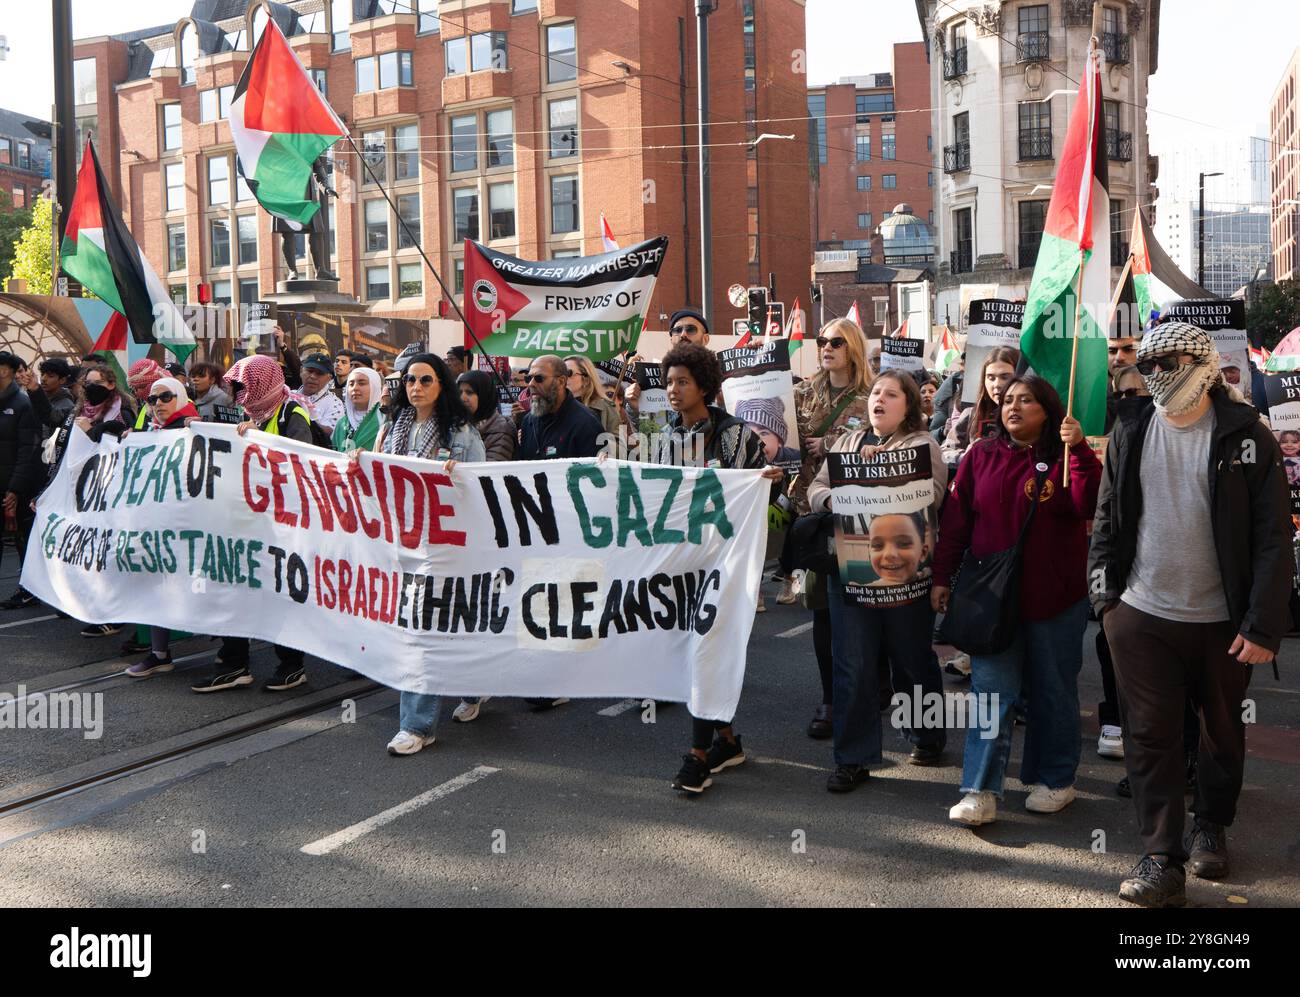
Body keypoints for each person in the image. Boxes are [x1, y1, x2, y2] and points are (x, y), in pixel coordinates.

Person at [1090, 321, 1291, 908]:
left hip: (1224, 623)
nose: (1155, 374)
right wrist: (1107, 606)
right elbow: (1106, 524)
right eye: (1145, 365)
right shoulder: (1130, 428)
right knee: (1150, 737)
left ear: (1203, 364)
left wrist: (1262, 626)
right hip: (1142, 616)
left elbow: (1273, 539)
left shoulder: (1248, 435)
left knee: (1220, 732)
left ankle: (1212, 824)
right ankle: (1160, 857)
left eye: (1168, 361)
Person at [932, 374, 1101, 827]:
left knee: (1054, 693)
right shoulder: (980, 456)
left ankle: (1056, 780)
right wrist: (942, 576)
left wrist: (1080, 449)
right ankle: (979, 789)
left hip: (1056, 600)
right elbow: (955, 523)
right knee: (990, 696)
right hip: (992, 602)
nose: (1013, 407)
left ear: (1048, 410)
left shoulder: (1066, 458)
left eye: (1026, 400)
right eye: (1007, 400)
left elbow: (1091, 504)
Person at [807, 369, 948, 790]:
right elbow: (817, 486)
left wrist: (878, 475)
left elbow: (932, 497)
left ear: (909, 406)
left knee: (912, 660)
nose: (878, 400)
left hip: (906, 575)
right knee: (853, 663)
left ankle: (926, 735)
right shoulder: (848, 442)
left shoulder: (924, 445)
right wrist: (835, 497)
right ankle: (853, 757)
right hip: (852, 573)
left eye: (890, 394)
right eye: (875, 394)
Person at [656, 342, 784, 794]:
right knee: (694, 650)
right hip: (682, 563)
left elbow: (754, 495)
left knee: (706, 651)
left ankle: (697, 758)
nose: (673, 390)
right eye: (669, 382)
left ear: (704, 386)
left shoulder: (735, 436)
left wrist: (766, 480)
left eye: (682, 382)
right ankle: (726, 741)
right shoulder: (666, 436)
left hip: (724, 564)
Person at [376, 354, 486, 755]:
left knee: (441, 622)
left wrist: (461, 478)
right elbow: (382, 478)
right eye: (409, 380)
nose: (415, 387)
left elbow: (480, 489)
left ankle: (423, 723)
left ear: (442, 385)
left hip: (447, 544)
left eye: (425, 379)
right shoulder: (393, 429)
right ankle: (454, 700)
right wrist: (359, 463)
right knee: (427, 625)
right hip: (404, 542)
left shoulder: (462, 433)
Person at [190, 355, 316, 694]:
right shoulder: (251, 414)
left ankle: (291, 664)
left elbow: (302, 463)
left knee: (280, 593)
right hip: (248, 521)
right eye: (236, 387)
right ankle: (233, 662)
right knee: (237, 586)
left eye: (245, 386)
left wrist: (259, 439)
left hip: (284, 526)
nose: (240, 393)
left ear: (263, 383)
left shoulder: (293, 415)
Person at [777, 318, 874, 737]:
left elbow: (890, 441)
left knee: (866, 606)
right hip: (813, 516)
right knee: (822, 610)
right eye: (822, 342)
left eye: (836, 342)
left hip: (863, 514)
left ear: (852, 347)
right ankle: (831, 698)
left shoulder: (874, 395)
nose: (827, 348)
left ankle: (872, 685)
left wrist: (831, 446)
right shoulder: (800, 393)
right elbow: (780, 441)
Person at [34, 364, 138, 627]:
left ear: (111, 385)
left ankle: (112, 613)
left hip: (109, 492)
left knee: (106, 552)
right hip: (83, 491)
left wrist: (99, 429)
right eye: (88, 382)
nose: (92, 388)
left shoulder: (122, 411)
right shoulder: (77, 412)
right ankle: (84, 602)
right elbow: (65, 449)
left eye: (98, 382)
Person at [123, 378, 200, 678]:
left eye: (166, 397)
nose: (158, 404)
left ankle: (233, 656)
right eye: (153, 399)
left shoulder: (194, 426)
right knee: (157, 585)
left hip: (191, 526)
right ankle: (159, 653)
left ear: (179, 397)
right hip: (159, 526)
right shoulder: (151, 432)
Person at [0, 352, 38, 612]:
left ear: (8, 371)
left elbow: (28, 449)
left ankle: (29, 588)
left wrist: (15, 487)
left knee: (21, 538)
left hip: (14, 483)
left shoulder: (22, 403)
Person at [940, 346, 1018, 468]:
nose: (997, 384)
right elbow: (945, 452)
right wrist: (968, 457)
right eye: (991, 378)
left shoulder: (1034, 417)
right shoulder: (971, 414)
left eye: (1005, 377)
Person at [518, 354, 603, 461]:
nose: (531, 384)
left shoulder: (586, 423)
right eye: (528, 378)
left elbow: (594, 472)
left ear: (561, 381)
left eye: (539, 378)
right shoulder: (528, 421)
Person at [458, 369, 516, 462]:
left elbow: (490, 471)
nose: (462, 398)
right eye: (460, 392)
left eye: (469, 392)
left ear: (484, 395)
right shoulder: (458, 424)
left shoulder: (500, 430)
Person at [563, 355, 621, 438]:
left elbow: (620, 444)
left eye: (568, 373)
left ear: (586, 379)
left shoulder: (606, 408)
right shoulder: (553, 408)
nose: (563, 378)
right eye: (560, 374)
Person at [19, 357, 76, 440]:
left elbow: (52, 418)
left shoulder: (67, 405)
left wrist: (36, 390)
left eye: (50, 376)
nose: (43, 379)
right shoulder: (32, 396)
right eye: (42, 374)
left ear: (62, 380)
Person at [735, 396, 801, 465]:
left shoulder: (796, 459)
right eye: (746, 433)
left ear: (779, 440)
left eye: (763, 433)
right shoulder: (735, 462)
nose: (755, 443)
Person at [331, 366, 383, 452]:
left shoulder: (384, 419)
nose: (355, 388)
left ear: (375, 387)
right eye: (351, 384)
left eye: (362, 383)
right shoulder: (341, 423)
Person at [299, 352, 345, 432]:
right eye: (310, 371)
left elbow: (331, 434)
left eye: (319, 373)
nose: (313, 376)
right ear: (301, 371)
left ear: (329, 378)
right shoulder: (288, 396)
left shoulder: (335, 404)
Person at [126, 358, 166, 431]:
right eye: (133, 390)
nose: (136, 394)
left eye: (138, 388)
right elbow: (139, 431)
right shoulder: (146, 407)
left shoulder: (176, 404)